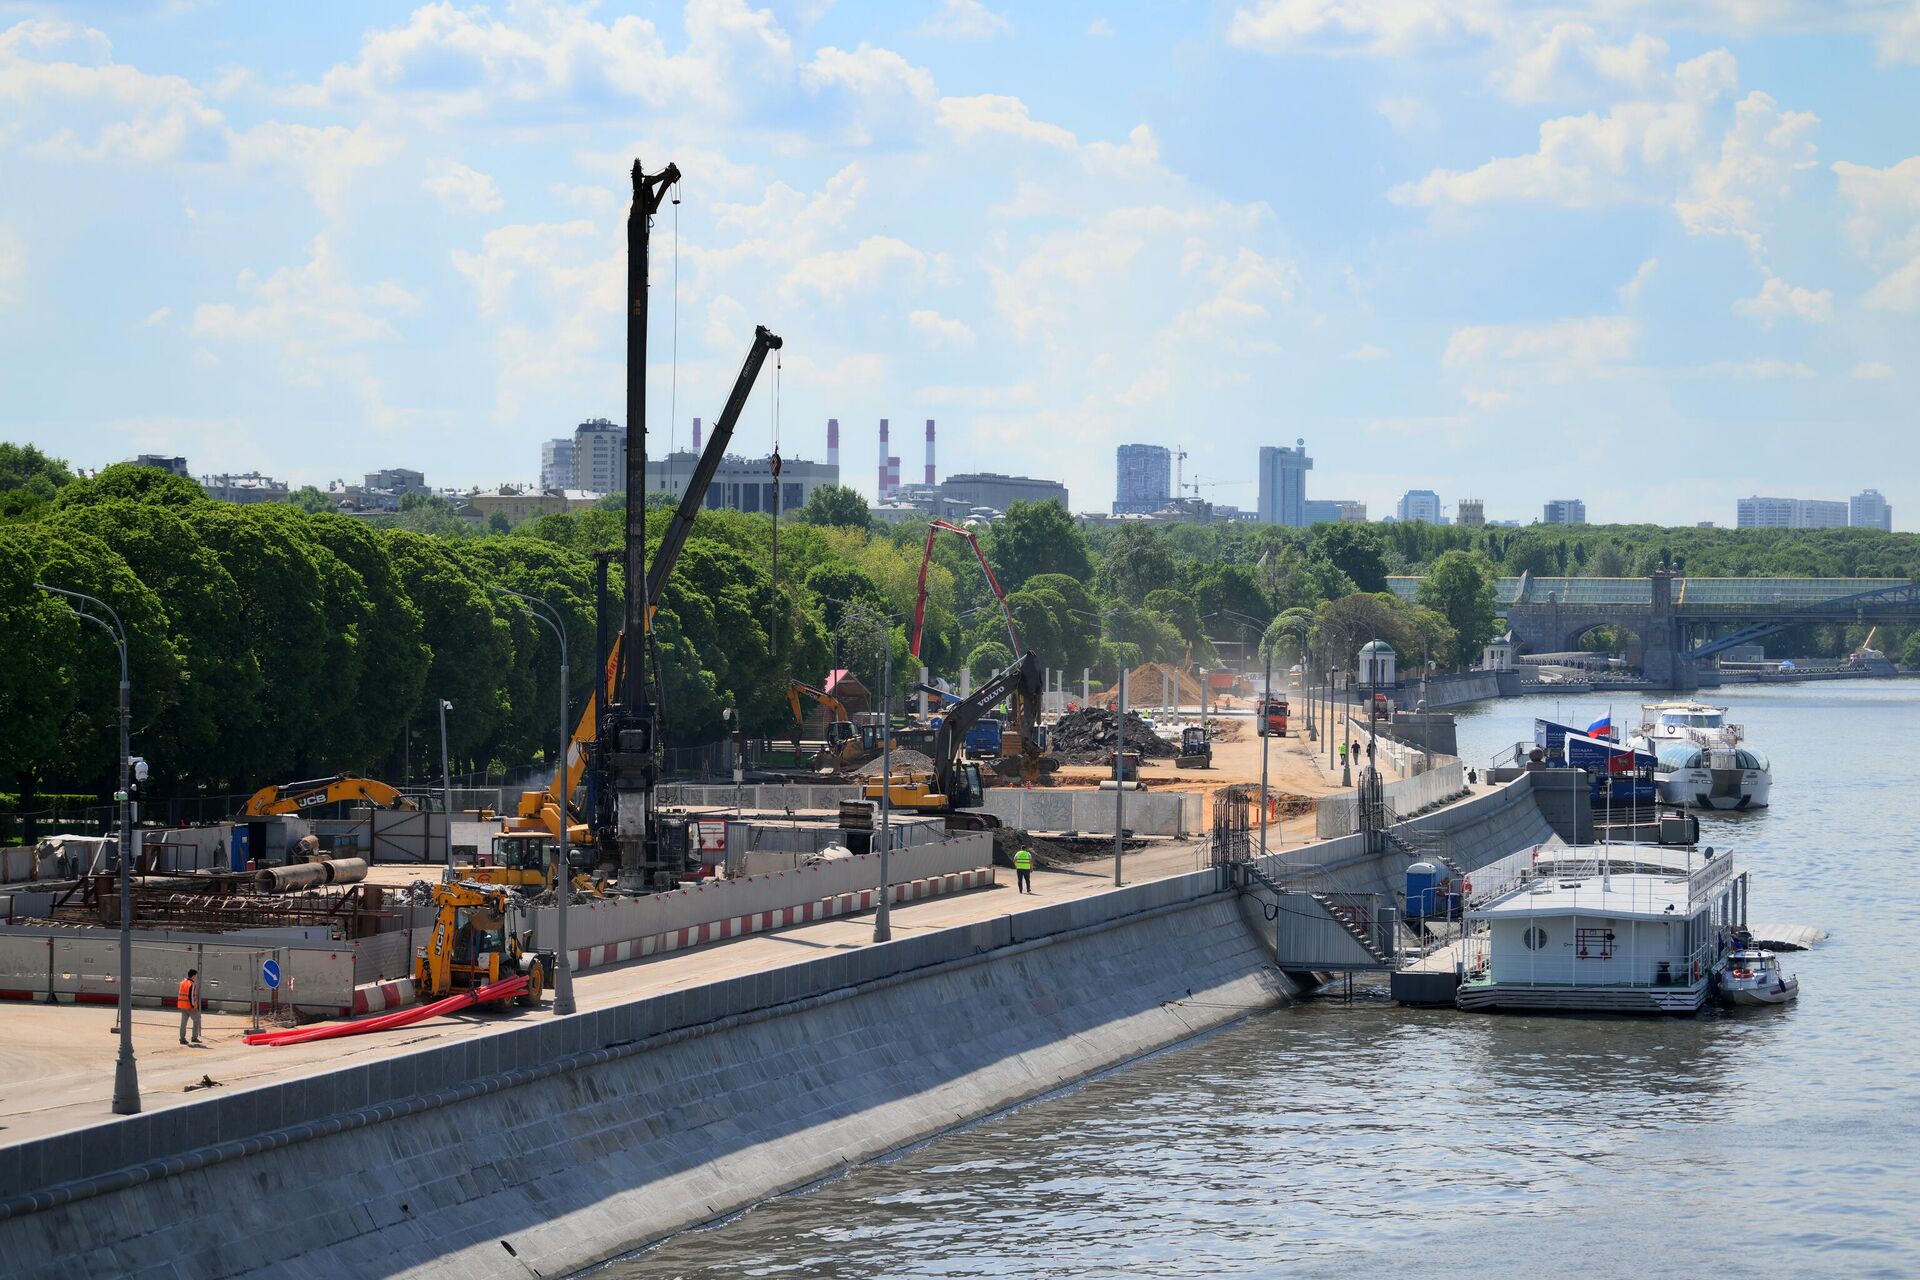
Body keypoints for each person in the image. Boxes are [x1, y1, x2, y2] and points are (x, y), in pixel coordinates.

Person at [178, 967, 202, 1045]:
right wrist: (192, 1006)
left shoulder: (182, 982)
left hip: (182, 1005)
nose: (196, 978)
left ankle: (182, 1039)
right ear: (193, 976)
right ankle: (194, 1037)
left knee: (183, 1023)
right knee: (197, 1020)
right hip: (190, 1007)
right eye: (195, 976)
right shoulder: (192, 984)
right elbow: (191, 996)